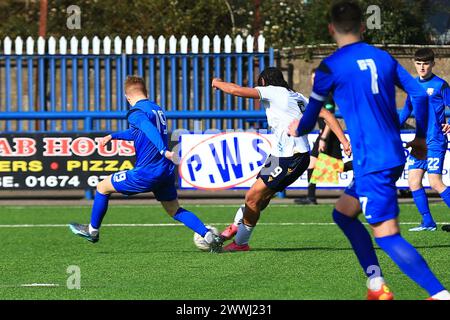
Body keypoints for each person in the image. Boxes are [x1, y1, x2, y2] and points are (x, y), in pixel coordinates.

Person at [288, 1, 449, 300]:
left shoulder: (329, 67)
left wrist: (297, 128)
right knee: (344, 214)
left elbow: (311, 116)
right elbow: (419, 95)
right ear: (363, 26)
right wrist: (423, 137)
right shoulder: (384, 58)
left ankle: (439, 294)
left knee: (387, 235)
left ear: (330, 29)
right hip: (385, 154)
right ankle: (376, 285)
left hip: (373, 160)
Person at [69, 76, 223, 252]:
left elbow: (147, 129)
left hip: (147, 172)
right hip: (165, 171)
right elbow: (138, 131)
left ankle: (92, 231)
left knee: (102, 187)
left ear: (127, 97)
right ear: (145, 92)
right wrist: (113, 136)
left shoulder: (135, 112)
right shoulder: (156, 109)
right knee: (174, 210)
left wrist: (162, 150)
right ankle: (208, 235)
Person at [211, 67, 351, 252]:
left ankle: (241, 243)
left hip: (290, 158)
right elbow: (327, 115)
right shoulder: (298, 96)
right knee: (261, 198)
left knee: (252, 197)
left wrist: (217, 82)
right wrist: (344, 140)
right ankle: (235, 227)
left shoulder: (272, 91)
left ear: (263, 82)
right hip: (280, 156)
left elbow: (236, 90)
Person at [399, 48, 450, 232]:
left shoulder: (440, 85)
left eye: (426, 63)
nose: (422, 67)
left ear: (433, 64)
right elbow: (406, 110)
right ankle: (428, 222)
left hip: (435, 140)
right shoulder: (412, 85)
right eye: (419, 63)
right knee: (413, 181)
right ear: (414, 63)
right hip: (419, 142)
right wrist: (392, 127)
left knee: (435, 182)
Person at [296, 68, 353, 205]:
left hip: (329, 135)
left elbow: (330, 118)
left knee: (335, 167)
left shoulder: (327, 95)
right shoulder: (317, 95)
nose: (314, 80)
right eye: (313, 78)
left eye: (317, 78)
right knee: (316, 164)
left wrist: (323, 138)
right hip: (324, 134)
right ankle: (311, 196)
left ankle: (358, 166)